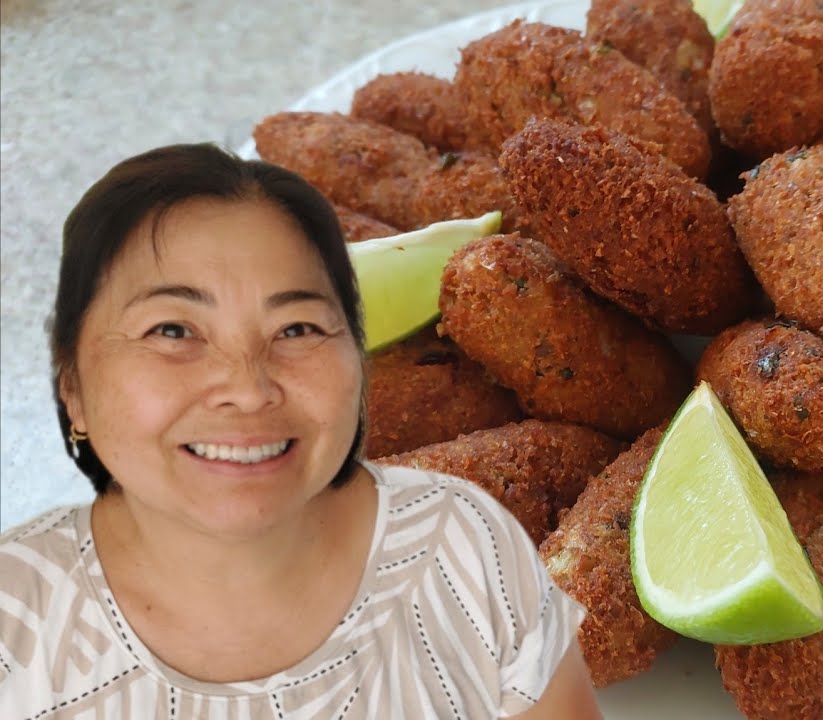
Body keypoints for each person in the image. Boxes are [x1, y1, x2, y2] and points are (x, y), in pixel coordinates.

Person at [0, 143, 602, 719]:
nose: (248, 387)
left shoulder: (466, 549)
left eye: (296, 329)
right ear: (71, 384)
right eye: (172, 331)